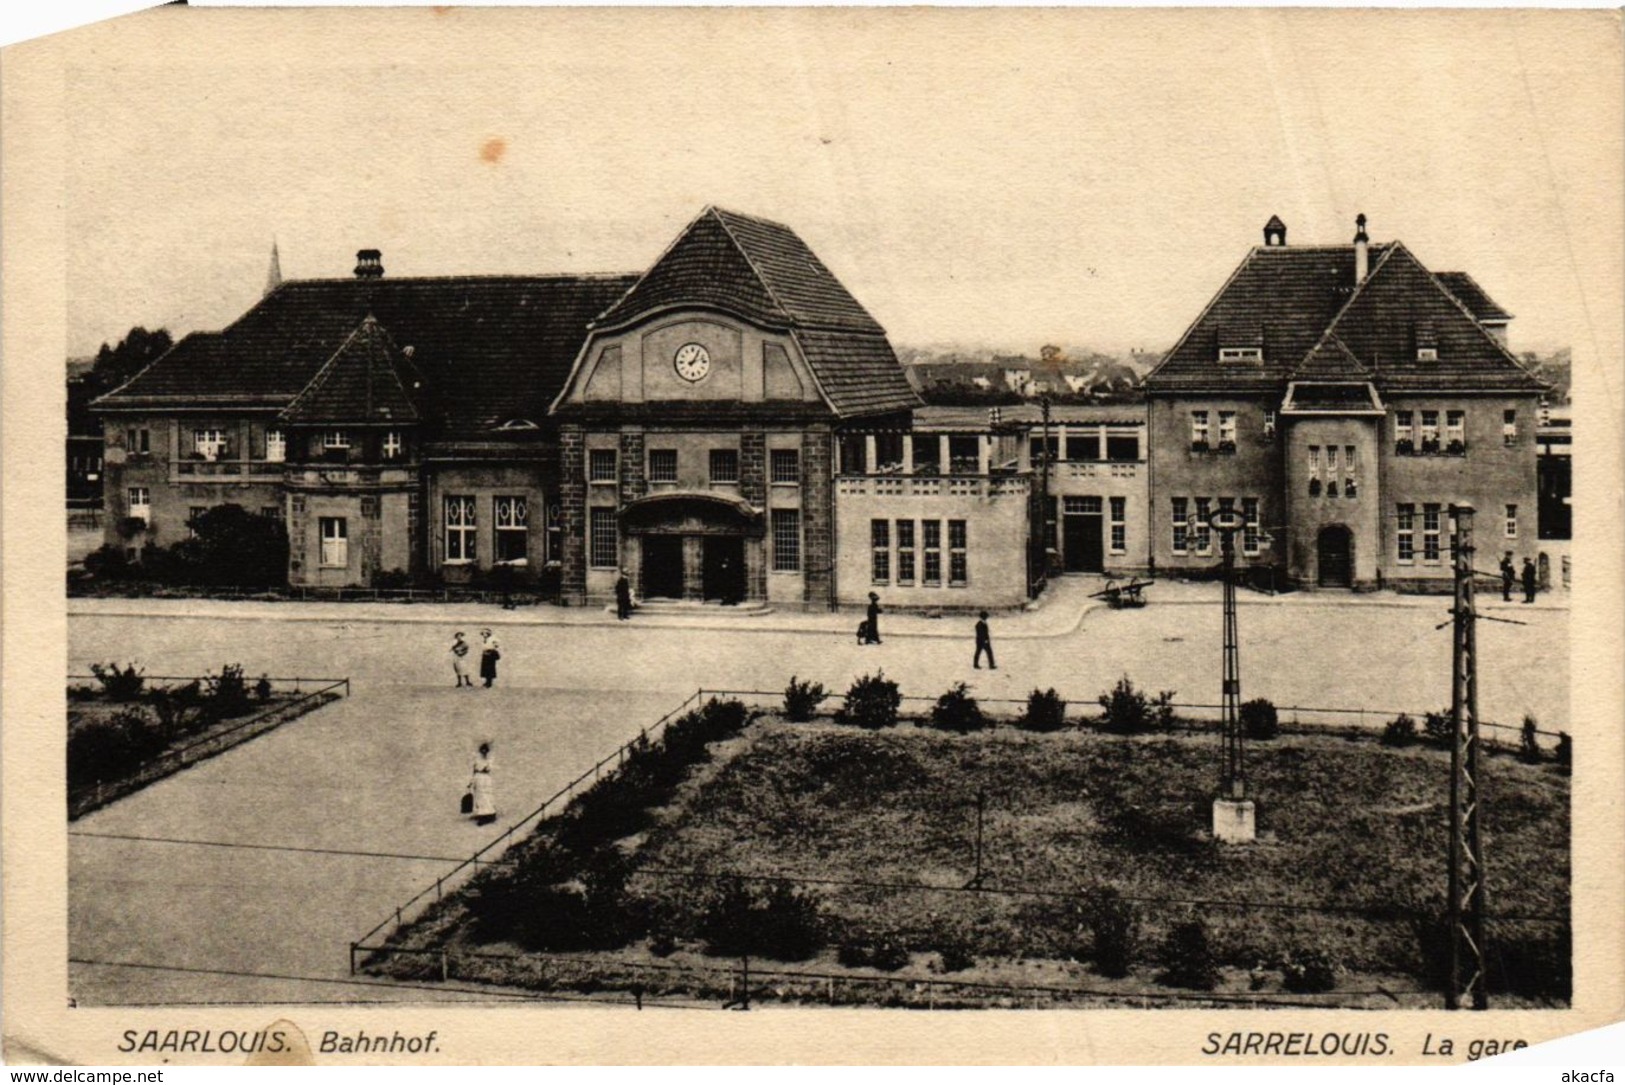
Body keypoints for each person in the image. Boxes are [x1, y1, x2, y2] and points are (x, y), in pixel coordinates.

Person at [467, 742, 497, 826]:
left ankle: (490, 814)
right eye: (482, 751)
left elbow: (489, 768)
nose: (484, 752)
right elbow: (474, 770)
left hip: (486, 780)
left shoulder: (489, 760)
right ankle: (482, 815)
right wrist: (471, 782)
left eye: (485, 751)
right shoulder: (477, 760)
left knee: (487, 796)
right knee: (479, 798)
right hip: (478, 780)